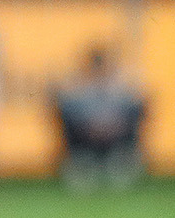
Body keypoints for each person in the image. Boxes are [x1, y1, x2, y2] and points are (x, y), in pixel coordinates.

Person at [55, 47, 146, 190]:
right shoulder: (78, 87)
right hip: (86, 135)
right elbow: (70, 110)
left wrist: (111, 125)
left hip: (116, 134)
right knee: (65, 114)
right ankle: (79, 163)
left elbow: (130, 108)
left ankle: (124, 161)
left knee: (136, 111)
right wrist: (91, 126)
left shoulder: (119, 86)